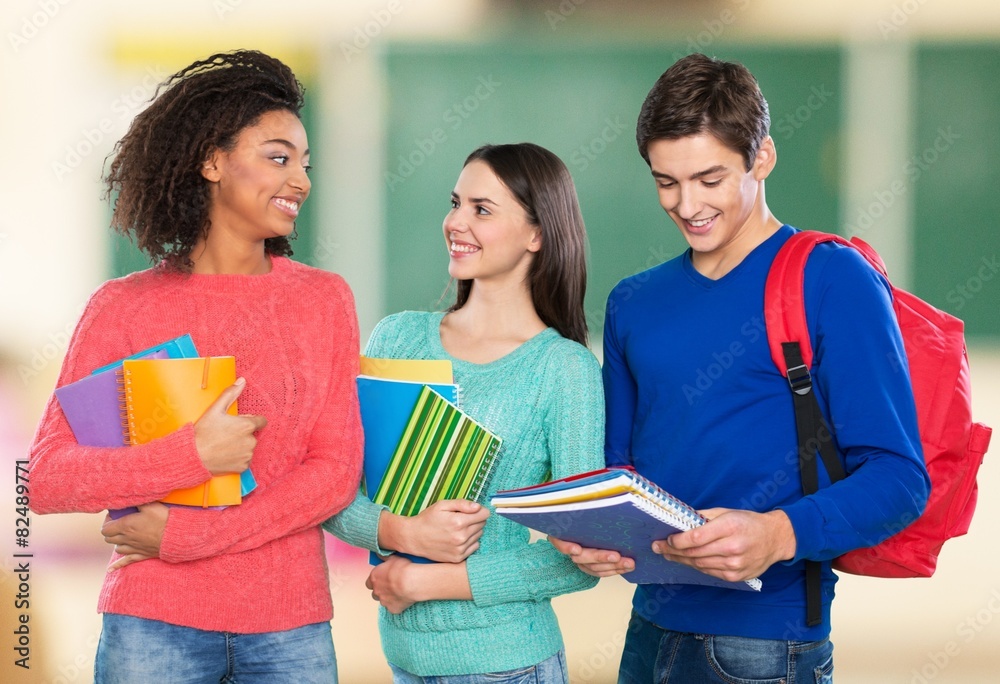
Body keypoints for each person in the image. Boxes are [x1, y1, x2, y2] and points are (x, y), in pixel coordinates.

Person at [550, 53, 930, 682]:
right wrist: (590, 528)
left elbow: (898, 476)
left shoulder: (833, 280)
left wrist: (779, 534)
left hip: (767, 648)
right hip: (647, 637)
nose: (687, 204)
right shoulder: (633, 303)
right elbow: (618, 471)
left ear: (763, 158)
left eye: (709, 178)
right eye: (665, 181)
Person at [27, 50, 363, 683]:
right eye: (278, 157)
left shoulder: (322, 300)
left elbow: (334, 473)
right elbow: (43, 479)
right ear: (212, 162)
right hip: (151, 628)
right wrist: (192, 456)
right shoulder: (122, 307)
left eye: (305, 164)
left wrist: (186, 538)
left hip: (288, 630)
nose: (301, 181)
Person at [324, 142, 604, 683]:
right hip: (404, 662)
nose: (455, 221)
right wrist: (402, 534)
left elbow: (579, 558)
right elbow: (333, 493)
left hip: (509, 664)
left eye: (482, 209)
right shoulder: (398, 339)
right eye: (455, 203)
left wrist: (426, 582)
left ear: (537, 234)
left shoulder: (564, 370)